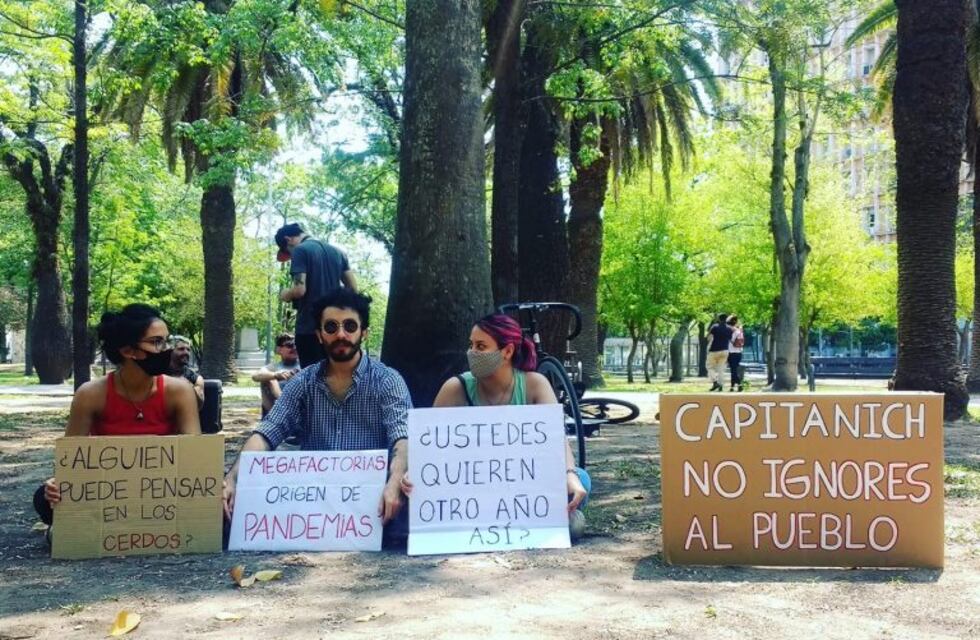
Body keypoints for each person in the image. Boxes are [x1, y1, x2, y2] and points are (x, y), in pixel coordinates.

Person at [222, 289, 411, 534]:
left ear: (363, 333)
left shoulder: (388, 381)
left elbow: (402, 437)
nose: (341, 334)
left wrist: (395, 483)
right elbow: (267, 432)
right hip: (313, 513)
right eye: (331, 327)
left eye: (350, 326)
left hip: (373, 510)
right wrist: (233, 478)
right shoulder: (304, 383)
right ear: (320, 335)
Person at [405, 313, 591, 541]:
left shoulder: (534, 384)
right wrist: (415, 470)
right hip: (469, 493)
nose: (472, 352)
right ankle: (556, 521)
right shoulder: (456, 388)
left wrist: (569, 474)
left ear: (507, 351)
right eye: (471, 345)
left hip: (525, 490)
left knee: (581, 479)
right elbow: (429, 448)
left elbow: (556, 440)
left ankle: (552, 518)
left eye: (481, 346)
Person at [34, 304, 201, 527]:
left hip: (163, 491)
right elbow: (71, 460)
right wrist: (57, 485)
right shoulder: (90, 394)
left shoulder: (180, 391)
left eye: (167, 341)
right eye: (156, 342)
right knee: (45, 498)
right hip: (107, 493)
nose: (166, 349)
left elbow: (196, 456)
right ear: (128, 351)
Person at [275, 223, 358, 368]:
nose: (290, 255)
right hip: (334, 329)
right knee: (335, 377)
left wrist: (285, 294)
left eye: (287, 251)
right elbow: (353, 289)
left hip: (309, 329)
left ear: (288, 240)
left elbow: (299, 289)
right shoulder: (338, 252)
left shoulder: (300, 250)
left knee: (313, 380)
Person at [251, 333, 301, 416]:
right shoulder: (274, 367)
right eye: (290, 345)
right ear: (279, 350)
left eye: (296, 345)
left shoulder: (306, 366)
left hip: (301, 409)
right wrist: (276, 375)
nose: (294, 348)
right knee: (268, 379)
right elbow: (255, 376)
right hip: (276, 411)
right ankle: (279, 415)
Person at [169, 335, 205, 406]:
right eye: (181, 349)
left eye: (188, 350)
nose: (186, 352)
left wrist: (189, 388)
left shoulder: (196, 379)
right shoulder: (157, 373)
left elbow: (199, 405)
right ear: (170, 351)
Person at [706, 313, 733, 392]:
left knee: (709, 367)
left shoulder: (715, 327)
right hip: (725, 350)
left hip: (714, 350)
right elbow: (730, 339)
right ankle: (721, 385)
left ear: (719, 319)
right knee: (721, 369)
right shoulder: (729, 329)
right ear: (726, 319)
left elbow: (709, 337)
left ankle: (715, 382)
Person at [726, 315, 745, 392]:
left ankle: (739, 384)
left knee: (733, 370)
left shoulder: (730, 330)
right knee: (734, 370)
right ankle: (732, 387)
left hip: (731, 352)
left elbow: (730, 340)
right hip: (739, 352)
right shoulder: (739, 330)